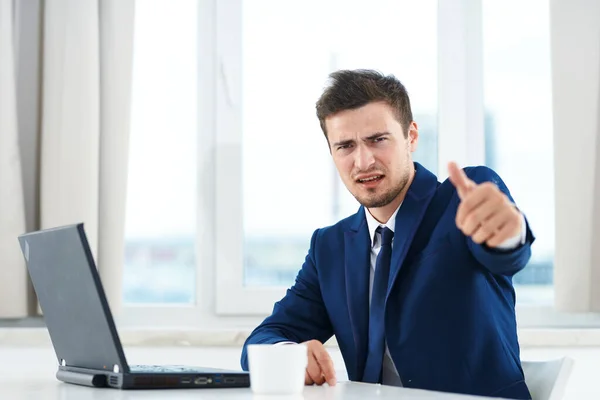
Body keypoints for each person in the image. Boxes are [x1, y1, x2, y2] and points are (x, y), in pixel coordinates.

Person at [240, 69, 534, 399]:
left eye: (377, 140)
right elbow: (264, 339)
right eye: (345, 146)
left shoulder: (461, 200)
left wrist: (509, 233)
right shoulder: (330, 247)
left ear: (411, 136)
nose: (363, 161)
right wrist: (289, 354)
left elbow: (505, 251)